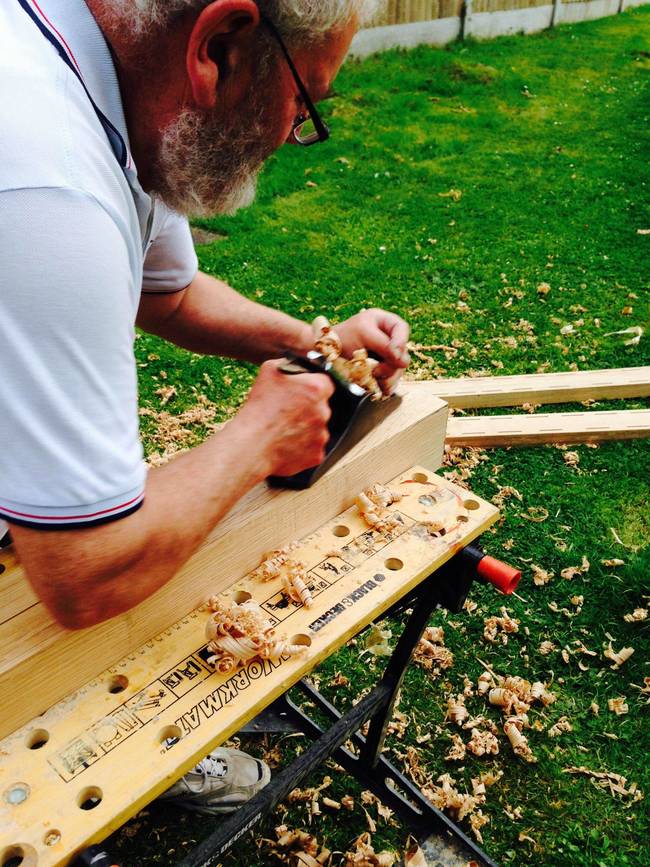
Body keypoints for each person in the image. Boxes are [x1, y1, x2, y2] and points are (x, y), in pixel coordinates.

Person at [0, 0, 408, 814]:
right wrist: (258, 436)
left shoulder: (111, 85)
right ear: (219, 44)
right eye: (305, 102)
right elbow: (82, 572)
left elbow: (175, 295)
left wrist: (326, 346)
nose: (295, 134)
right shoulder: (47, 182)